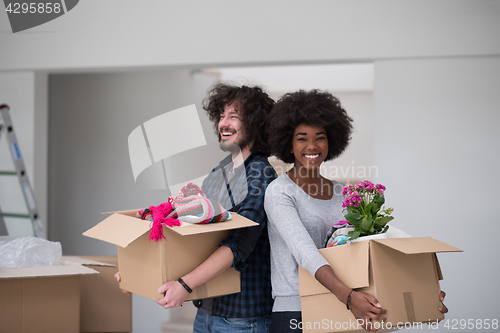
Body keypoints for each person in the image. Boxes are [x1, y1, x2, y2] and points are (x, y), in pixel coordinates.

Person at [263, 90, 447, 333]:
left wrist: (421, 290)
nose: (312, 146)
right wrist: (348, 297)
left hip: (344, 305)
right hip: (297, 311)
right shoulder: (279, 192)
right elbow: (305, 253)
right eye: (301, 138)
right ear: (288, 143)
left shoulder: (342, 193)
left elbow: (364, 250)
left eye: (320, 137)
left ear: (331, 141)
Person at [155, 83, 277, 332]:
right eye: (221, 116)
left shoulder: (260, 174)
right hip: (207, 312)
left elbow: (239, 243)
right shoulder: (218, 173)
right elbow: (195, 236)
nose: (223, 123)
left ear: (255, 123)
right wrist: (145, 272)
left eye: (234, 116)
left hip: (243, 318)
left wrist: (185, 285)